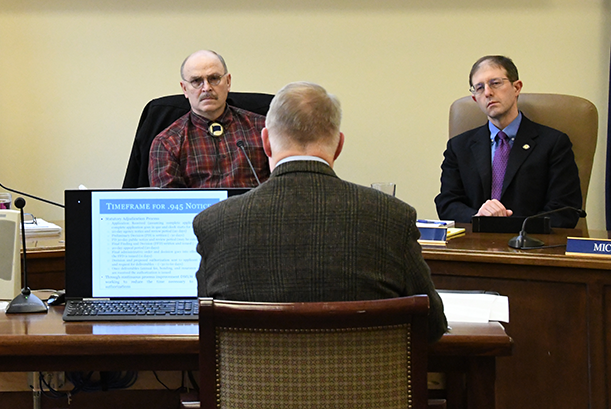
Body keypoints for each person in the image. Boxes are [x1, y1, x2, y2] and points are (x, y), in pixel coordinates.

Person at [193, 81, 447, 341]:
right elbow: (432, 326)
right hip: (362, 380)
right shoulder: (392, 217)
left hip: (249, 381)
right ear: (339, 145)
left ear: (266, 143)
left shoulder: (215, 223)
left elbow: (204, 328)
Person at [435, 55, 582, 227]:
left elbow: (565, 210)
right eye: (479, 88)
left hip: (531, 246)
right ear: (475, 99)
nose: (488, 92)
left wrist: (513, 226)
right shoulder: (459, 147)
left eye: (495, 83)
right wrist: (478, 216)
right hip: (474, 244)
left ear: (516, 87)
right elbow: (447, 204)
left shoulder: (553, 143)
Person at [148, 50, 269, 188]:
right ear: (184, 89)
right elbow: (171, 206)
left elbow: (283, 187)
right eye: (196, 81)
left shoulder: (264, 128)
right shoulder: (167, 143)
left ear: (228, 82)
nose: (206, 88)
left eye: (214, 78)